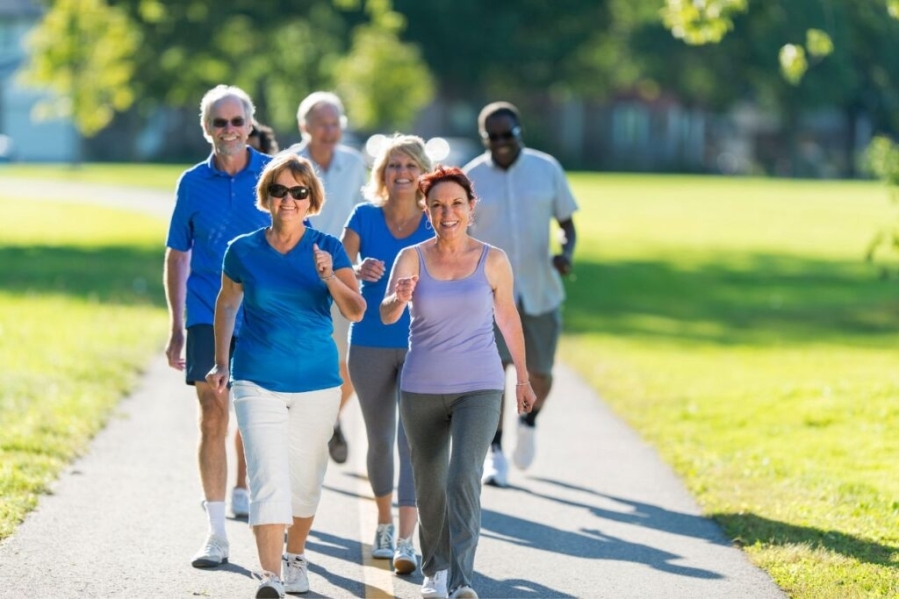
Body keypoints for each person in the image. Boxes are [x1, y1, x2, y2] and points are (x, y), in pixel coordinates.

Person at [206, 153, 366, 598]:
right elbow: (226, 302)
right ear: (267, 197)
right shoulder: (242, 249)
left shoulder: (328, 247)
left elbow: (355, 309)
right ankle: (270, 575)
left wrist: (329, 278)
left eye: (299, 191)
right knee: (267, 475)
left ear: (311, 199)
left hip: (317, 382)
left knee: (305, 478)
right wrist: (222, 361)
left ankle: (296, 556)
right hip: (257, 377)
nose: (289, 199)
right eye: (280, 190)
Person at [381, 166, 536, 599]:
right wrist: (399, 297)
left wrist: (521, 378)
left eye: (456, 204)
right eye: (436, 206)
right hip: (421, 388)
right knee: (429, 483)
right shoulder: (411, 257)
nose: (446, 212)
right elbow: (387, 313)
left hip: (480, 386)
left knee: (463, 477)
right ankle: (436, 570)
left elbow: (508, 317)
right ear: (426, 211)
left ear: (471, 208)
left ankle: (463, 580)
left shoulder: (493, 259)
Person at [164, 84, 272, 568]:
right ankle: (215, 534)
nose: (228, 130)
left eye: (236, 121)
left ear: (250, 125)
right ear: (206, 128)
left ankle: (250, 491)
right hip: (208, 311)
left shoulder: (274, 176)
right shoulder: (191, 182)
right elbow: (177, 253)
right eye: (218, 122)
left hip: (266, 314)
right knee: (213, 413)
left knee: (258, 414)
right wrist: (176, 326)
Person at [463, 101, 578, 488]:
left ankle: (528, 421)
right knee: (495, 375)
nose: (500, 143)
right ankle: (495, 452)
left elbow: (567, 224)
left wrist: (566, 253)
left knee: (541, 374)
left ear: (519, 132)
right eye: (492, 137)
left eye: (506, 135)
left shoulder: (546, 168)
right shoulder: (472, 177)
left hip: (540, 290)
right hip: (489, 295)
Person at [342, 134, 433, 573]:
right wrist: (357, 270)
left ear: (424, 174)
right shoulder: (363, 217)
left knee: (412, 441)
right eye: (394, 166)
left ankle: (405, 539)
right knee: (379, 438)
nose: (402, 173)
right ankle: (382, 523)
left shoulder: (437, 221)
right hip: (370, 343)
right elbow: (334, 270)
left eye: (411, 165)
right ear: (382, 173)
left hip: (422, 344)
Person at [290, 91, 368, 465]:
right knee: (307, 358)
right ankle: (310, 428)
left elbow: (364, 215)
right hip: (297, 279)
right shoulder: (288, 163)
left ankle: (330, 418)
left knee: (349, 362)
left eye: (335, 123)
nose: (329, 130)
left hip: (342, 276)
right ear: (304, 127)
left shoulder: (354, 163)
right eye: (321, 124)